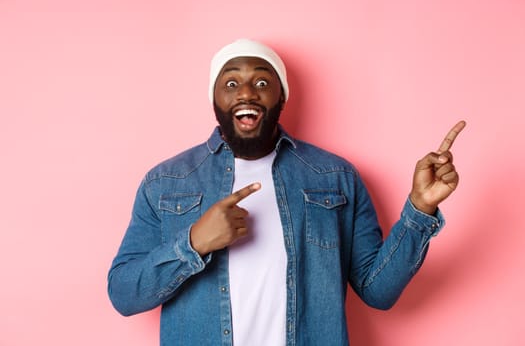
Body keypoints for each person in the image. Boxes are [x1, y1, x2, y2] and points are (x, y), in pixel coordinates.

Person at [108, 38, 466, 345]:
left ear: (282, 95)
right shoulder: (166, 182)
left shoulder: (335, 177)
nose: (246, 92)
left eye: (262, 82)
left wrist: (420, 210)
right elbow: (124, 294)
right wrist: (195, 243)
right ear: (214, 98)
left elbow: (379, 292)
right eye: (230, 83)